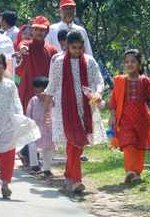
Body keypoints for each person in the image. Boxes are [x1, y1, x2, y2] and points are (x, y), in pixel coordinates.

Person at [44, 30, 107, 193]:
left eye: (80, 47)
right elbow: (51, 87)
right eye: (73, 47)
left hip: (85, 108)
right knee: (73, 144)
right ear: (66, 46)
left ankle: (68, 173)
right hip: (65, 110)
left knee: (78, 145)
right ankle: (77, 180)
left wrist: (98, 93)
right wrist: (45, 111)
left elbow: (99, 80)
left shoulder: (90, 61)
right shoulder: (58, 63)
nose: (77, 51)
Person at [0, 51, 41, 199]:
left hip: (7, 124)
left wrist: (20, 120)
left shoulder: (10, 85)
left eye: (0, 62)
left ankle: (5, 183)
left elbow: (17, 105)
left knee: (8, 154)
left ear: (4, 66)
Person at [108, 49, 150, 183]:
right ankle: (129, 170)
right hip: (125, 119)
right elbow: (114, 100)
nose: (129, 64)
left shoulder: (145, 80)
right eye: (127, 62)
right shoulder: (121, 81)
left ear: (140, 63)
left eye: (133, 61)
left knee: (140, 146)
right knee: (128, 144)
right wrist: (112, 116)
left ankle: (138, 172)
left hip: (142, 119)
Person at [16, 16, 59, 111]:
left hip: (47, 91)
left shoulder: (52, 50)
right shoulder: (28, 44)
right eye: (36, 29)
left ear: (48, 31)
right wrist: (22, 48)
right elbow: (22, 45)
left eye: (42, 30)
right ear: (32, 30)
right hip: (29, 89)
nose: (39, 32)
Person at [25, 76, 57, 177]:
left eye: (42, 91)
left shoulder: (52, 100)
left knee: (48, 149)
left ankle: (47, 169)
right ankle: (35, 165)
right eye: (36, 92)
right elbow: (28, 113)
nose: (39, 94)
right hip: (35, 129)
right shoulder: (33, 100)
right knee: (33, 146)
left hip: (48, 129)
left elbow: (55, 109)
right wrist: (30, 123)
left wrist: (48, 98)